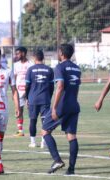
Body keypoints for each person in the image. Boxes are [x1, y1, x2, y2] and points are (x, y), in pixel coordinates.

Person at [42, 44, 81, 175]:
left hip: (62, 106)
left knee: (45, 131)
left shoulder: (59, 67)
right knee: (71, 136)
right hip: (74, 105)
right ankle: (71, 169)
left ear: (61, 54)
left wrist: (54, 108)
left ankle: (57, 160)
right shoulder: (77, 68)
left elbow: (60, 87)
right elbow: (76, 88)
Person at [25, 49, 53, 148]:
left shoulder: (30, 69)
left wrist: (27, 98)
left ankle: (33, 142)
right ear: (43, 57)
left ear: (34, 58)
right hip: (45, 98)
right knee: (45, 121)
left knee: (33, 120)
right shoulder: (49, 70)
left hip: (33, 99)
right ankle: (43, 142)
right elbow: (52, 86)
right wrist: (49, 96)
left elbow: (27, 85)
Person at [13, 47, 33, 136]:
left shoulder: (31, 64)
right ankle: (20, 130)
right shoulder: (16, 65)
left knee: (31, 110)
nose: (16, 55)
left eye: (18, 53)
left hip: (30, 91)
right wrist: (14, 92)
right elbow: (14, 78)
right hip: (19, 91)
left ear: (23, 53)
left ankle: (32, 129)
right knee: (19, 110)